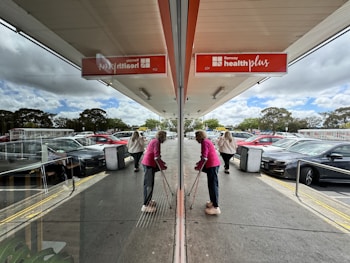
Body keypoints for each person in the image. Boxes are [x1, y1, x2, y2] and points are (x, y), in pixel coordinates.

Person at [194, 130, 221, 215]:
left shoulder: (204, 142)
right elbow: (205, 156)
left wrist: (199, 166)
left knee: (213, 185)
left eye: (196, 136)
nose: (195, 139)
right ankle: (213, 202)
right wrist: (199, 164)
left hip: (212, 165)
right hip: (213, 164)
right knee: (211, 184)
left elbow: (204, 157)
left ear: (199, 136)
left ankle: (216, 207)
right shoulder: (206, 141)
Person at [140, 130, 167, 213]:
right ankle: (145, 205)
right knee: (148, 185)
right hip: (149, 164)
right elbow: (156, 156)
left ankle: (148, 201)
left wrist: (161, 163)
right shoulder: (157, 142)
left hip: (148, 163)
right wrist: (162, 165)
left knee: (149, 183)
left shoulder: (154, 140)